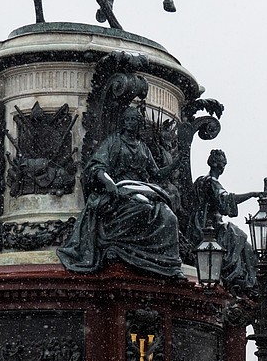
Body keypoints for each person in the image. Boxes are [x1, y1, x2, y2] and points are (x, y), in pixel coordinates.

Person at [58, 105, 183, 277]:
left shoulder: (143, 147)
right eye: (128, 120)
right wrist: (108, 182)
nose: (131, 123)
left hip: (141, 188)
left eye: (134, 120)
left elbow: (156, 174)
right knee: (143, 209)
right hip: (120, 188)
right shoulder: (113, 141)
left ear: (140, 124)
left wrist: (176, 164)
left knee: (170, 217)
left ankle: (168, 263)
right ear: (123, 123)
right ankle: (116, 246)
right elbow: (96, 166)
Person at [191, 149, 260, 290]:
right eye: (222, 163)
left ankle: (244, 278)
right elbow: (226, 201)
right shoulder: (211, 182)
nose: (223, 167)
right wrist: (252, 194)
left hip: (202, 226)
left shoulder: (201, 180)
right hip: (211, 228)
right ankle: (246, 282)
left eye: (225, 164)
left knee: (242, 242)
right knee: (243, 241)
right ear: (215, 163)